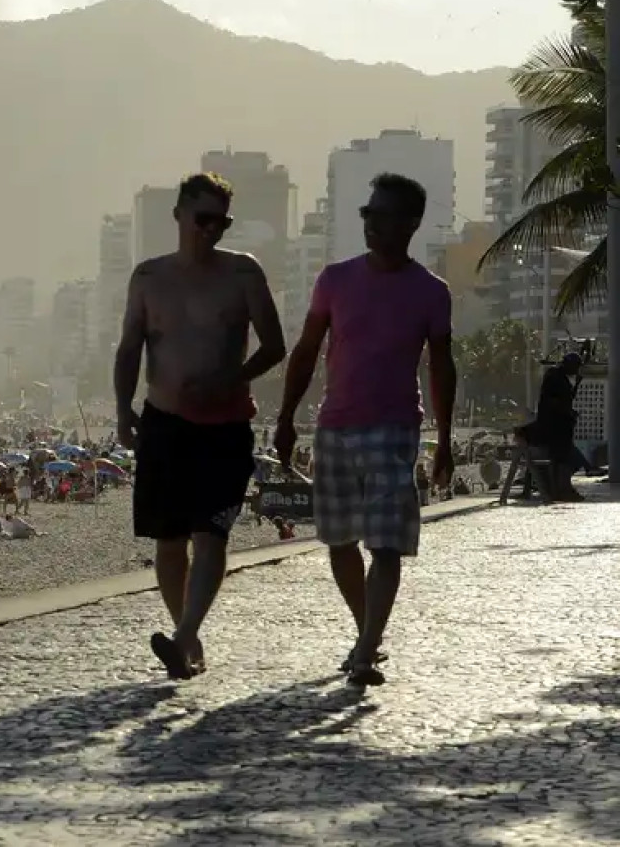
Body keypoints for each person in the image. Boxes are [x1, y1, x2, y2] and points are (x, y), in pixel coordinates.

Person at [276, 172, 455, 688]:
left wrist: (443, 441)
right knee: (339, 541)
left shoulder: (431, 293)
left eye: (381, 215)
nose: (371, 224)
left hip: (395, 430)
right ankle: (366, 636)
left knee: (387, 545)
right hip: (333, 428)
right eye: (366, 214)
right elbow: (307, 350)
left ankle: (367, 649)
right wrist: (287, 419)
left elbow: (442, 367)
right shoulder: (334, 280)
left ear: (411, 223)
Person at [114, 172, 286, 681]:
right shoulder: (148, 278)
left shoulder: (242, 274)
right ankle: (185, 636)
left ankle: (184, 637)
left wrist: (230, 379)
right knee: (169, 541)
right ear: (178, 216)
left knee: (211, 534)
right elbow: (129, 348)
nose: (212, 229)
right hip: (164, 422)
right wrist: (123, 410)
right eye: (203, 218)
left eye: (222, 221)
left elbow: (275, 345)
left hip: (225, 424)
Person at [520, 350, 592, 499]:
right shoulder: (554, 376)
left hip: (557, 427)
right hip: (551, 428)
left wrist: (576, 386)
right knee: (566, 456)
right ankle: (563, 486)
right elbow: (553, 401)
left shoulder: (562, 378)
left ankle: (566, 483)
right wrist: (567, 411)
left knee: (568, 454)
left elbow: (566, 400)